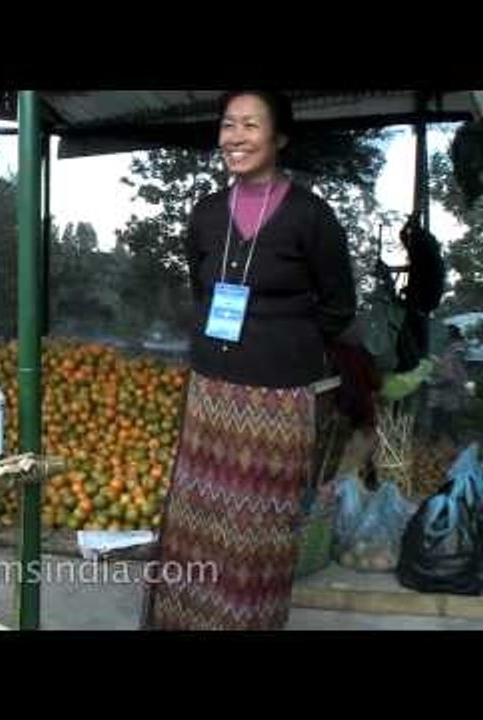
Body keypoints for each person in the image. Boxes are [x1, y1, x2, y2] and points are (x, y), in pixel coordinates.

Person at [144, 90, 377, 630]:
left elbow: (339, 303)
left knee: (257, 531)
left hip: (278, 399)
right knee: (198, 520)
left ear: (279, 138)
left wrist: (284, 343)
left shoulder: (311, 216)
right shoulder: (204, 215)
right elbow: (199, 286)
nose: (236, 137)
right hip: (210, 394)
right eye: (228, 125)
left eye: (251, 125)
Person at [426, 325, 470, 445]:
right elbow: (457, 373)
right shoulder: (456, 350)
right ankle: (451, 447)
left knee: (448, 426)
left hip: (448, 395)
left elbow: (450, 376)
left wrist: (433, 383)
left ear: (450, 337)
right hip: (451, 394)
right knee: (449, 424)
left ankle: (452, 449)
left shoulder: (454, 352)